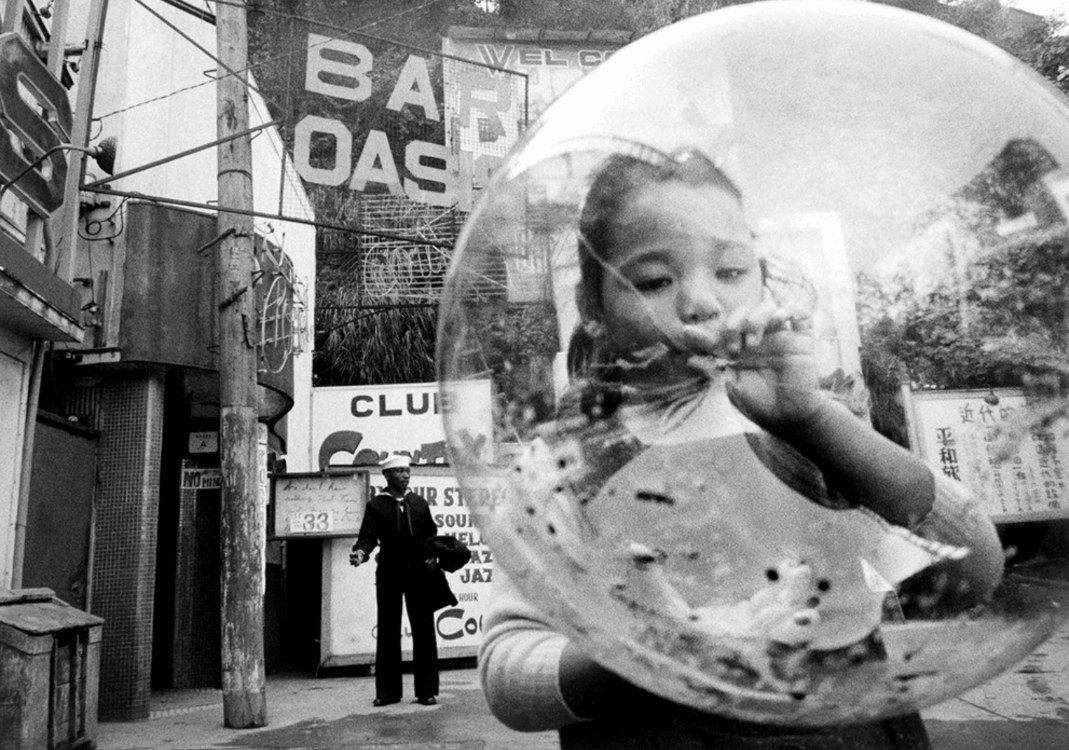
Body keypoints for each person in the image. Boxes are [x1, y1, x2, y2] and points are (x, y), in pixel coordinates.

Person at [478, 149, 1006, 748]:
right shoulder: (568, 462)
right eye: (654, 280)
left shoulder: (815, 429)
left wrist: (813, 420)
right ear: (593, 306)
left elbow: (972, 572)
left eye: (730, 271)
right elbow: (509, 671)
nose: (701, 301)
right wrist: (665, 647)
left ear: (762, 279)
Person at [350, 454, 441, 706]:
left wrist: (433, 556)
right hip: (389, 572)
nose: (405, 475)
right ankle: (387, 693)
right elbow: (367, 537)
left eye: (407, 471)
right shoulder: (376, 505)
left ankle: (427, 691)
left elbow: (431, 536)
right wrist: (361, 553)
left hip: (419, 573)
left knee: (424, 629)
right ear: (387, 475)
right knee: (388, 629)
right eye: (399, 471)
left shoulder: (419, 503)